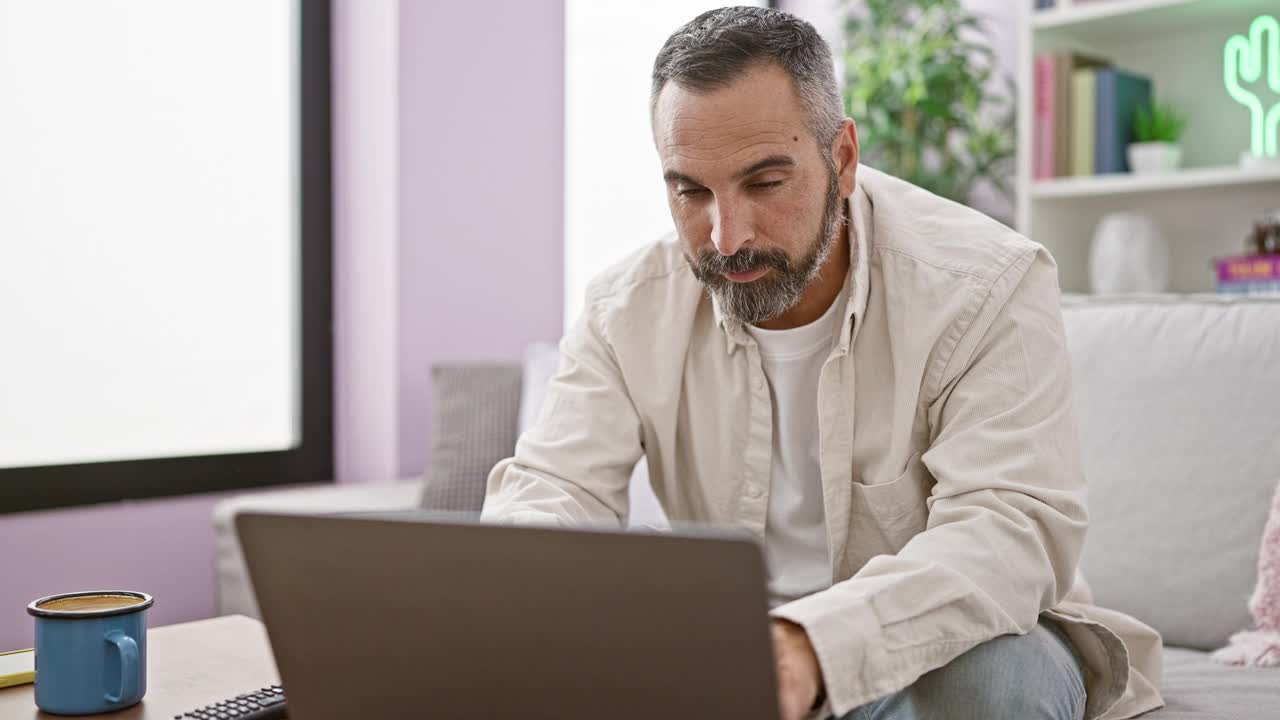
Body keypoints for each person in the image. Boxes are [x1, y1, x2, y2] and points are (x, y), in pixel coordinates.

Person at [482, 7, 1164, 720]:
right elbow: (552, 489)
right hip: (725, 651)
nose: (727, 234)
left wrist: (811, 646)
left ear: (841, 161)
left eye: (765, 183)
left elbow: (1010, 533)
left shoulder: (988, 285)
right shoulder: (626, 308)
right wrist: (515, 589)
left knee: (994, 685)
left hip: (940, 646)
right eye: (690, 190)